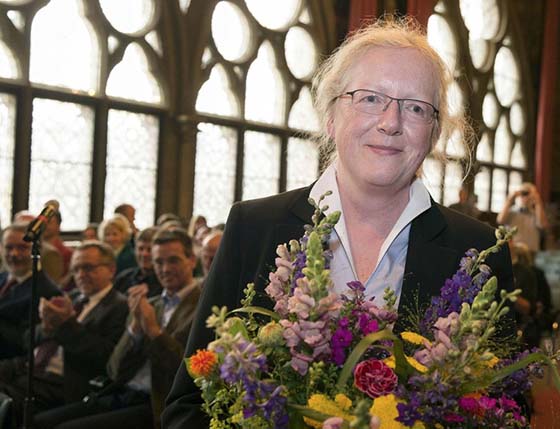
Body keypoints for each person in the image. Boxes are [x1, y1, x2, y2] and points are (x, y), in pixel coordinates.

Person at [162, 17, 514, 427]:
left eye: (416, 107)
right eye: (369, 98)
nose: (390, 122)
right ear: (330, 116)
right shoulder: (253, 227)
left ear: (434, 134)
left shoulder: (477, 250)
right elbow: (187, 404)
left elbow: (503, 408)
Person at [34, 228, 201, 429]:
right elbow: (114, 369)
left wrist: (155, 332)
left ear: (191, 260)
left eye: (173, 261)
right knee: (41, 422)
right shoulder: (152, 303)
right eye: (158, 262)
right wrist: (134, 330)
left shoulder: (202, 307)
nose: (165, 269)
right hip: (121, 392)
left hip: (157, 402)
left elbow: (186, 372)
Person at [0, 241, 128, 424]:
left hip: (67, 380)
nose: (81, 275)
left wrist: (66, 325)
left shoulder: (119, 306)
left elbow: (106, 356)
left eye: (88, 268)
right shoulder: (73, 297)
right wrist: (46, 326)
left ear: (111, 269)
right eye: (76, 269)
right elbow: (27, 339)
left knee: (10, 402)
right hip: (31, 367)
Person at [0, 223, 61, 359]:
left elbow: (26, 341)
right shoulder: (3, 277)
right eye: (9, 248)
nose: (14, 254)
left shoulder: (47, 292)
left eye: (22, 248)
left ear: (37, 250)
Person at [497, 182, 548, 253]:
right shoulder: (511, 212)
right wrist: (510, 199)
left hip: (531, 252)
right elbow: (500, 220)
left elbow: (542, 225)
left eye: (528, 194)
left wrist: (538, 202)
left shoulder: (537, 214)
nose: (525, 197)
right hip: (512, 251)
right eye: (523, 193)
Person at [113, 227, 162, 298]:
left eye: (149, 249)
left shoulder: (165, 282)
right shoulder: (123, 278)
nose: (144, 254)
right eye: (140, 249)